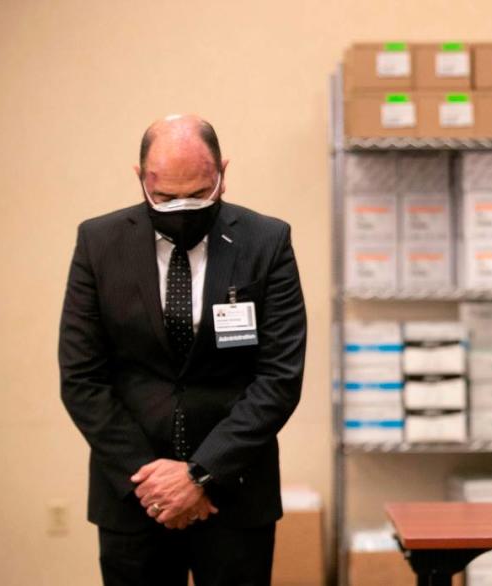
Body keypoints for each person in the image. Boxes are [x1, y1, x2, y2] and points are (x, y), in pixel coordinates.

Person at [59, 114, 307, 585]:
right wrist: (153, 484)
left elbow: (279, 377)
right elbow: (81, 378)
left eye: (198, 193)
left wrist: (199, 476)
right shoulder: (99, 242)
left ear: (222, 173)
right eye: (166, 196)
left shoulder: (266, 241)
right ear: (140, 178)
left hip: (235, 492)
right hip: (134, 496)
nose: (182, 207)